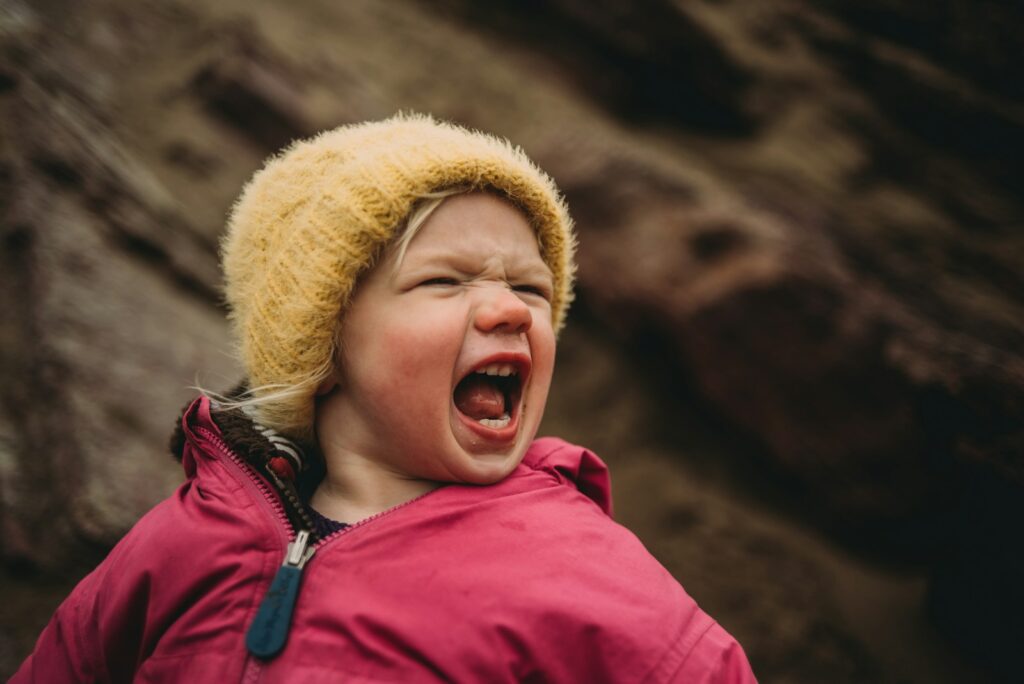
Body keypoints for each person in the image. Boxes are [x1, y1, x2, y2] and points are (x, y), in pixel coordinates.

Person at [13, 114, 756, 682]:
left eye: (531, 287)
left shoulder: (594, 581)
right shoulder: (185, 540)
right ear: (322, 348)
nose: (510, 312)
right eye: (445, 281)